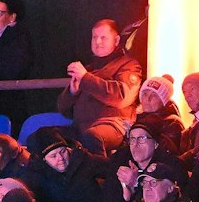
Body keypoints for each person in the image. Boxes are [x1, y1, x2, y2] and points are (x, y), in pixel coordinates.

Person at [57, 19, 143, 153]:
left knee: (91, 137)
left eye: (103, 37)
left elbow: (121, 96)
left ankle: (100, 172)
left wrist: (86, 78)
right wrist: (72, 92)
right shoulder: (88, 69)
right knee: (42, 137)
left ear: (116, 40)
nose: (98, 42)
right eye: (94, 37)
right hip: (81, 127)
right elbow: (64, 111)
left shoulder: (128, 65)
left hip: (113, 125)